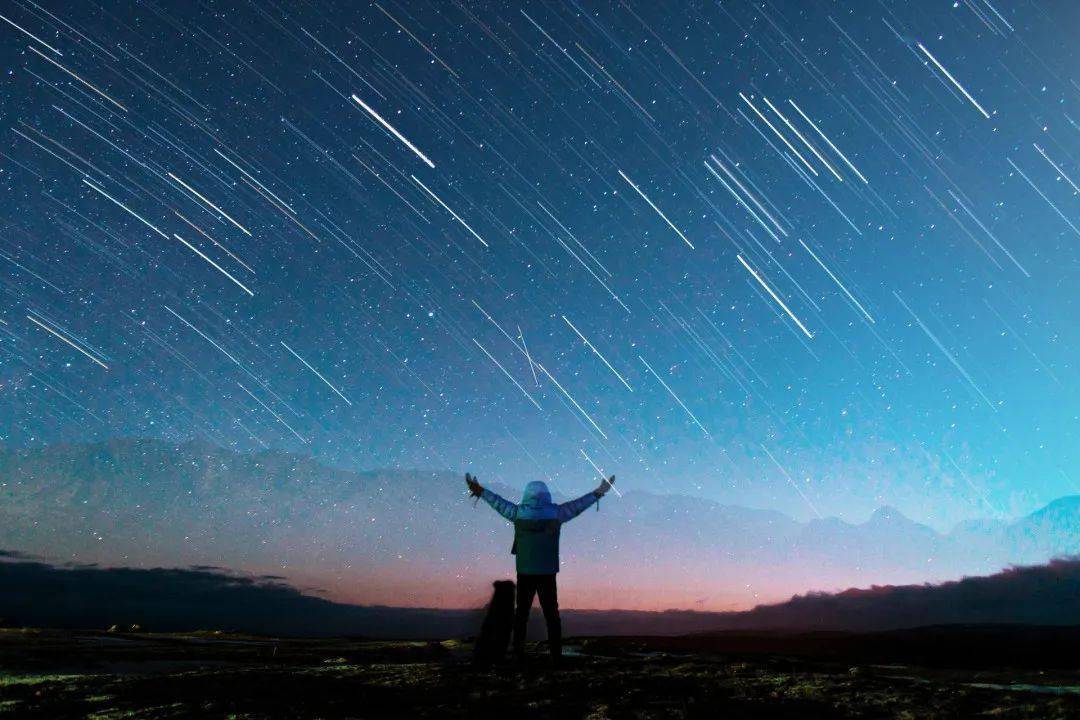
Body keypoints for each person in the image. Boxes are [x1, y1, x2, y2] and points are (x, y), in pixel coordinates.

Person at [465, 472, 615, 662]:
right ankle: (556, 653)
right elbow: (578, 506)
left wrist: (480, 491)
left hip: (525, 572)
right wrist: (599, 492)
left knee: (521, 614)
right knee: (551, 615)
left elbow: (498, 503)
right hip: (547, 572)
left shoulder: (518, 513)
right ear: (546, 495)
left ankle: (518, 651)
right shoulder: (556, 513)